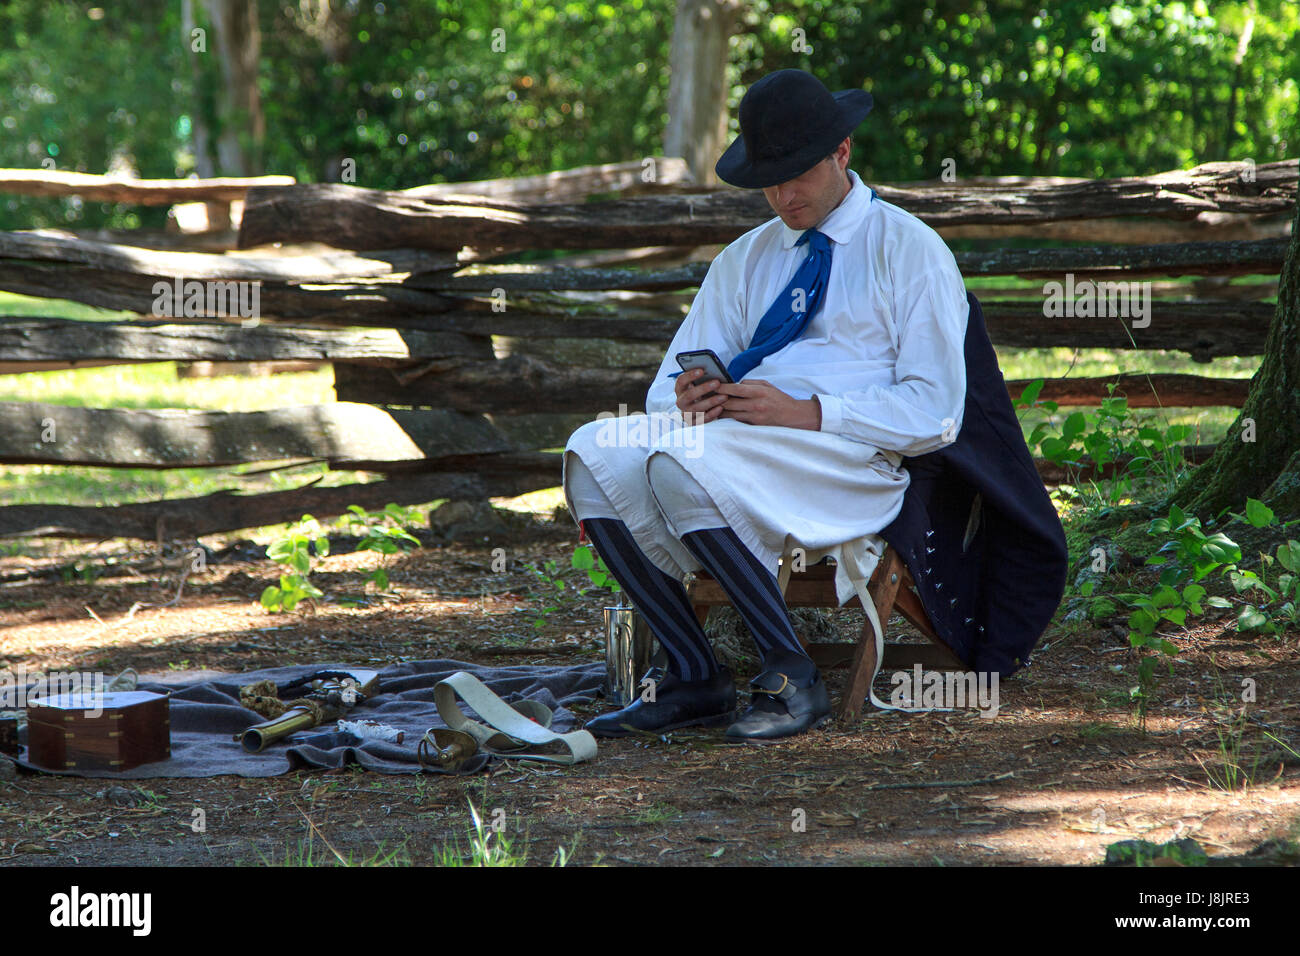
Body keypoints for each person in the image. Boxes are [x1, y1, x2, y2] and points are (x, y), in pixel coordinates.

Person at [563, 68, 970, 740]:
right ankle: (695, 674)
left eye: (796, 174)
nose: (782, 196)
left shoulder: (909, 250)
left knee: (677, 462)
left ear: (843, 152)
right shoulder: (744, 260)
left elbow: (936, 412)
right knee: (592, 451)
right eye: (768, 181)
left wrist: (809, 411)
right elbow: (667, 383)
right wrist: (687, 399)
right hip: (735, 445)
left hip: (847, 460)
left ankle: (792, 674)